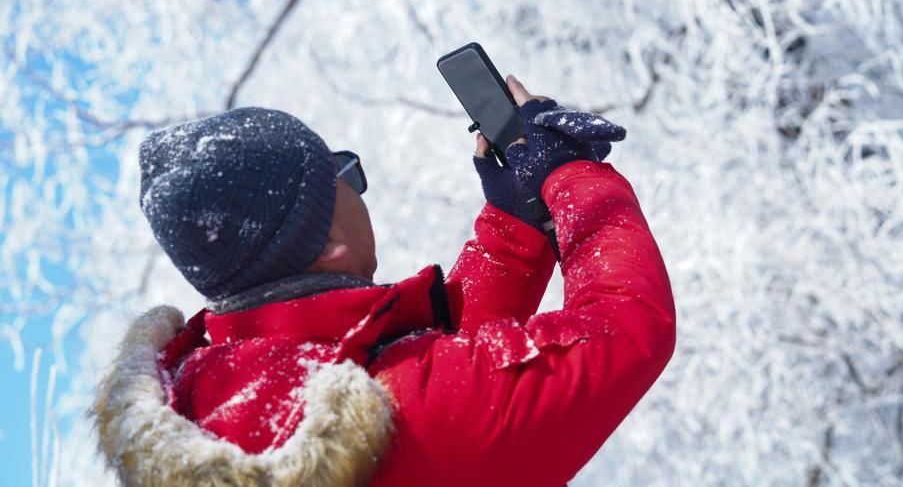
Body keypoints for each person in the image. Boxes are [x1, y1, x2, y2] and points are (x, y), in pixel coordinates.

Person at [92, 75, 676, 487]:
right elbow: (627, 324)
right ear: (326, 245)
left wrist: (513, 228)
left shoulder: (205, 393)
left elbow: (421, 372)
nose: (356, 182)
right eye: (343, 174)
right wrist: (570, 177)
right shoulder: (403, 422)